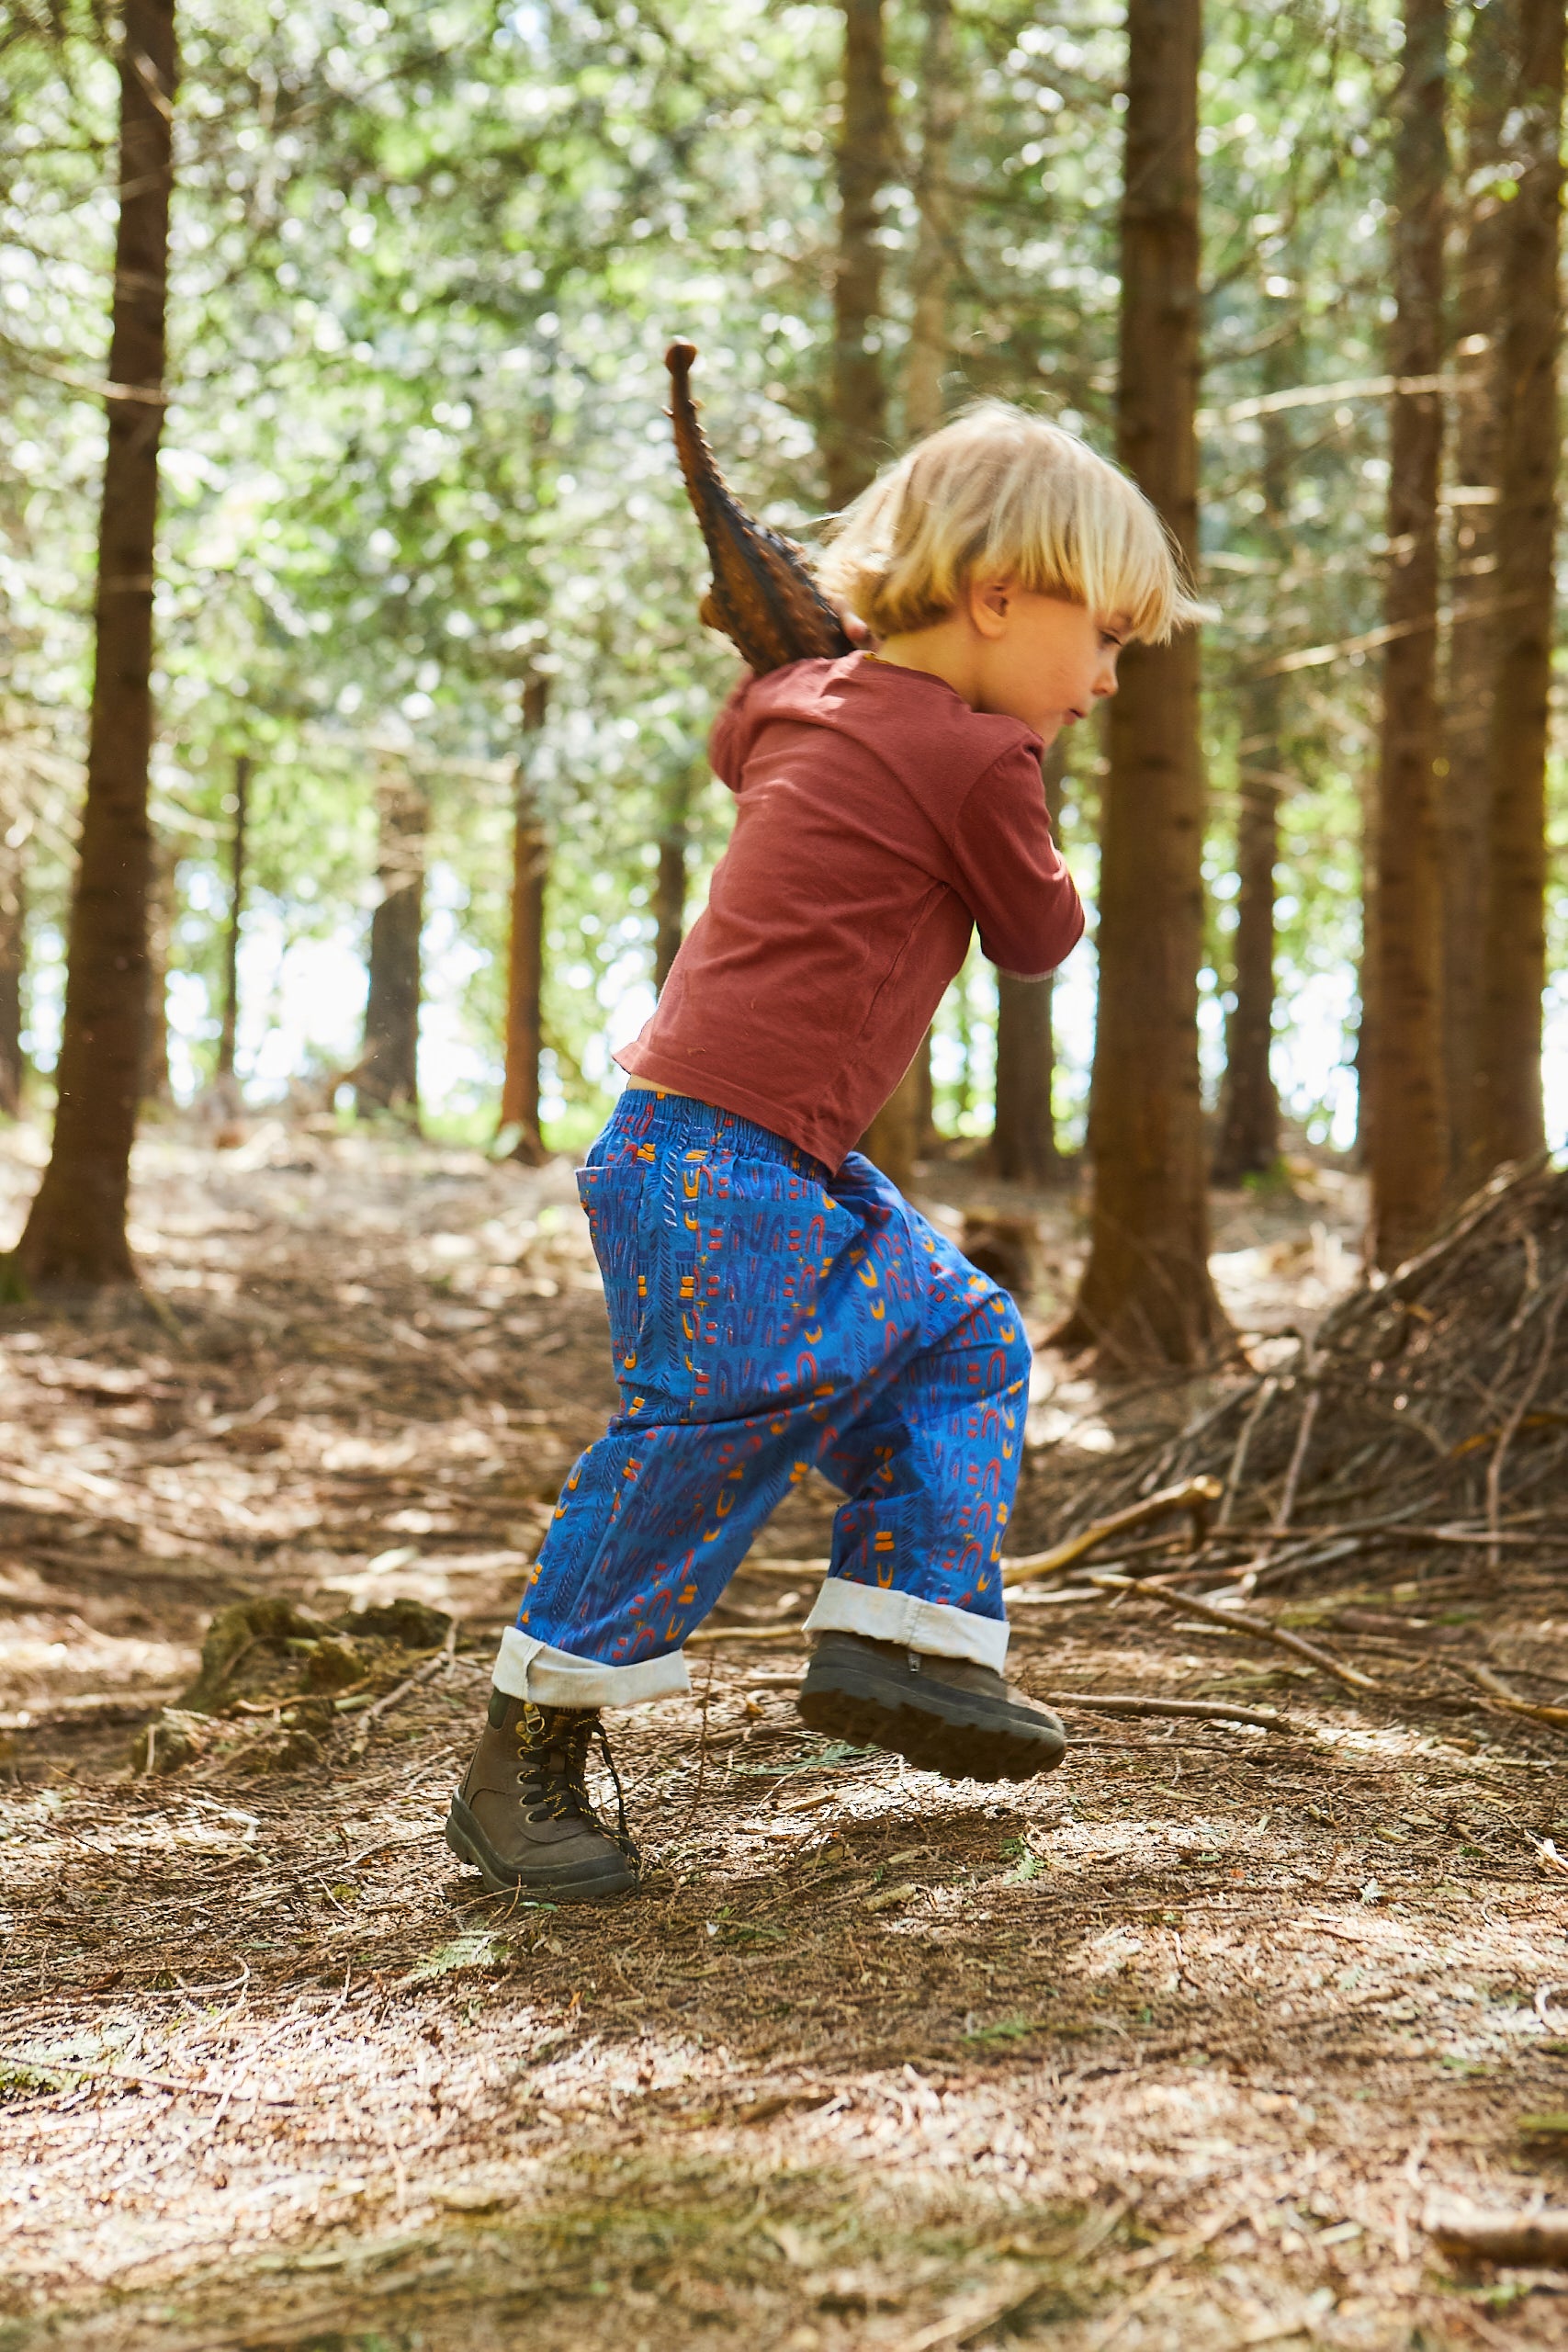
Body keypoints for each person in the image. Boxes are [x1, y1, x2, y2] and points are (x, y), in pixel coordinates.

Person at [446, 401, 1206, 1900]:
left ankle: (904, 1642)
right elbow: (1041, 933)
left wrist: (813, 659)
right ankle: (520, 1757)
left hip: (731, 1154)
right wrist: (989, 749)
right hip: (721, 1157)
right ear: (996, 599)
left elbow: (758, 730)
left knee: (960, 1337)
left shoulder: (801, 703)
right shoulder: (982, 758)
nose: (1109, 681)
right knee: (723, 1409)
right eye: (1102, 639)